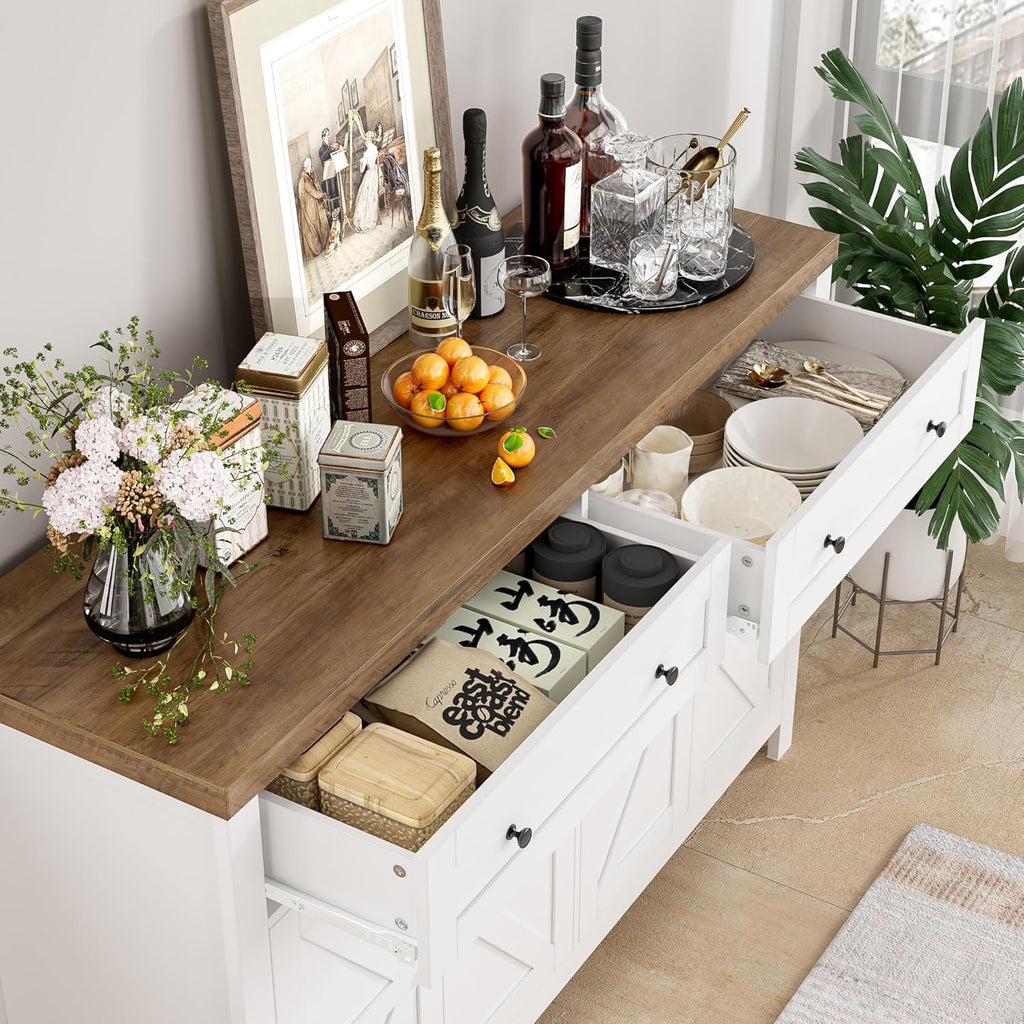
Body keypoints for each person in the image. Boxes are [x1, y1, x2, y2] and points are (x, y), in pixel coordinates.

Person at [350, 111, 381, 232]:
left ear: (368, 139)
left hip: (370, 175)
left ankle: (366, 219)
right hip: (376, 173)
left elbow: (363, 169)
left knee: (362, 197)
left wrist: (361, 162)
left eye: (365, 139)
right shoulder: (375, 149)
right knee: (365, 196)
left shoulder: (367, 152)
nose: (364, 141)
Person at [297, 156, 329, 258]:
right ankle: (316, 249)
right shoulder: (304, 179)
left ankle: (322, 243)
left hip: (312, 204)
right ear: (307, 167)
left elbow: (315, 187)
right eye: (309, 164)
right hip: (308, 208)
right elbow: (313, 192)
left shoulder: (308, 176)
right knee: (312, 228)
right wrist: (323, 195)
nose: (311, 166)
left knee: (319, 221)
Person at [319, 127, 341, 216]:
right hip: (328, 179)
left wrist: (338, 148)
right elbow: (323, 157)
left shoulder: (329, 145)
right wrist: (330, 148)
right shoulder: (322, 149)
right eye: (327, 135)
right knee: (333, 195)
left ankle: (339, 215)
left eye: (329, 134)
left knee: (337, 194)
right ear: (323, 137)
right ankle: (334, 216)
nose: (329, 136)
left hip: (334, 174)